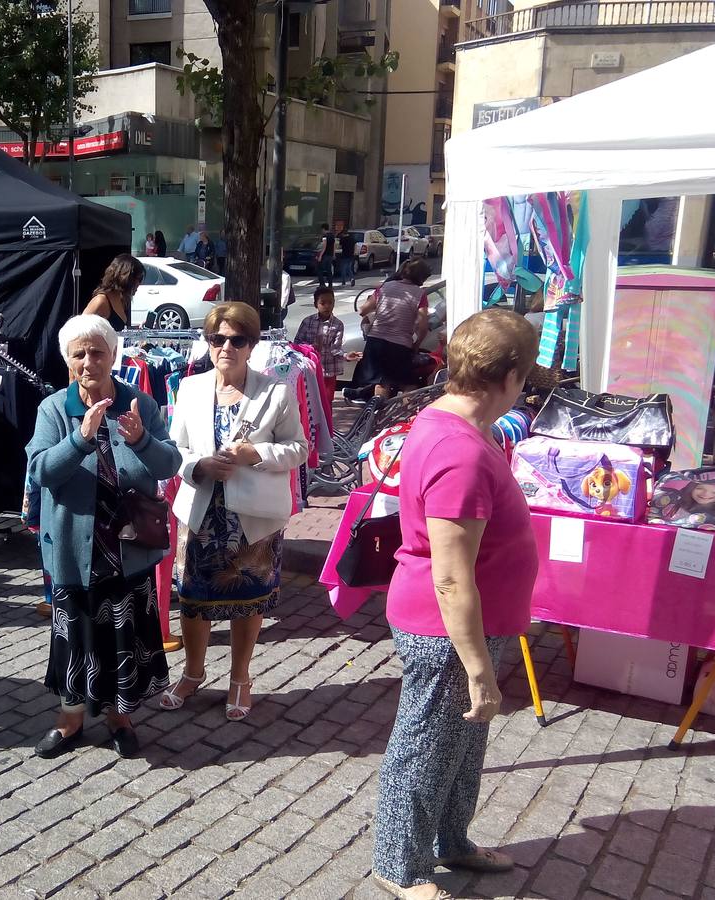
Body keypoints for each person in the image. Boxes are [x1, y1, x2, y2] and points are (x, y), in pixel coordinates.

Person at [372, 309, 540, 900]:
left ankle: (452, 840)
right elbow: (450, 578)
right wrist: (477, 668)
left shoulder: (458, 424)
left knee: (461, 742)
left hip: (467, 625)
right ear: (511, 375)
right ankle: (399, 864)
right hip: (445, 629)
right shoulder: (459, 450)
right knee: (425, 743)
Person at [25, 314, 180, 759]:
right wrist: (79, 439)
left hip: (129, 547)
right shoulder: (55, 409)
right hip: (77, 548)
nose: (89, 361)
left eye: (97, 352)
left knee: (123, 635)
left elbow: (167, 465)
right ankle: (70, 717)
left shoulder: (139, 403)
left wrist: (141, 440)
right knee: (75, 636)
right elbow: (40, 473)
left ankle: (119, 715)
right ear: (68, 361)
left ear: (114, 355)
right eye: (79, 354)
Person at [165, 303, 308, 720]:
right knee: (193, 599)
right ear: (207, 343)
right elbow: (175, 447)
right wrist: (199, 466)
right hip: (202, 513)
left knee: (250, 599)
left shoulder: (275, 390)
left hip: (254, 518)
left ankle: (240, 678)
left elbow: (298, 448)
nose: (226, 347)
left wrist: (255, 454)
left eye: (237, 339)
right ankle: (193, 673)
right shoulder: (190, 388)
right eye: (217, 339)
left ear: (251, 344)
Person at [351, 257, 431, 400]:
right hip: (399, 345)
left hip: (375, 341)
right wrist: (417, 344)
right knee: (408, 383)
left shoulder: (384, 287)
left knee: (382, 383)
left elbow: (362, 310)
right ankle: (408, 416)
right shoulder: (420, 294)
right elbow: (423, 325)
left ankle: (376, 417)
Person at [294, 286, 361, 430]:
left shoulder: (337, 324)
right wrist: (310, 348)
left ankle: (327, 432)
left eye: (330, 302)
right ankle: (308, 431)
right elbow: (297, 343)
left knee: (326, 402)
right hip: (310, 370)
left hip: (328, 371)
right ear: (315, 304)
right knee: (309, 402)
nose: (327, 306)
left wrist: (346, 356)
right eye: (323, 303)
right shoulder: (307, 322)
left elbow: (335, 348)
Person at [84, 254, 144, 332]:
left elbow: (118, 330)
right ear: (127, 279)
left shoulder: (122, 299)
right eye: (139, 279)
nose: (139, 283)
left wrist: (136, 329)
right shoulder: (101, 301)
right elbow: (80, 331)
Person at [337, 222, 357, 287]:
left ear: (343, 234)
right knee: (349, 268)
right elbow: (355, 246)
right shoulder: (352, 239)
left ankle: (343, 282)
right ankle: (352, 278)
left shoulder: (342, 239)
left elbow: (339, 247)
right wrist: (354, 253)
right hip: (351, 255)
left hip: (344, 255)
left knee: (343, 269)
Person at [315, 224, 335, 288]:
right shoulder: (332, 236)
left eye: (322, 230)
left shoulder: (324, 236)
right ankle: (330, 284)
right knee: (329, 270)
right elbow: (334, 246)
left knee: (319, 269)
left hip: (325, 255)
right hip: (330, 255)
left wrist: (320, 255)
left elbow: (324, 246)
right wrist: (333, 254)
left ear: (323, 229)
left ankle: (322, 284)